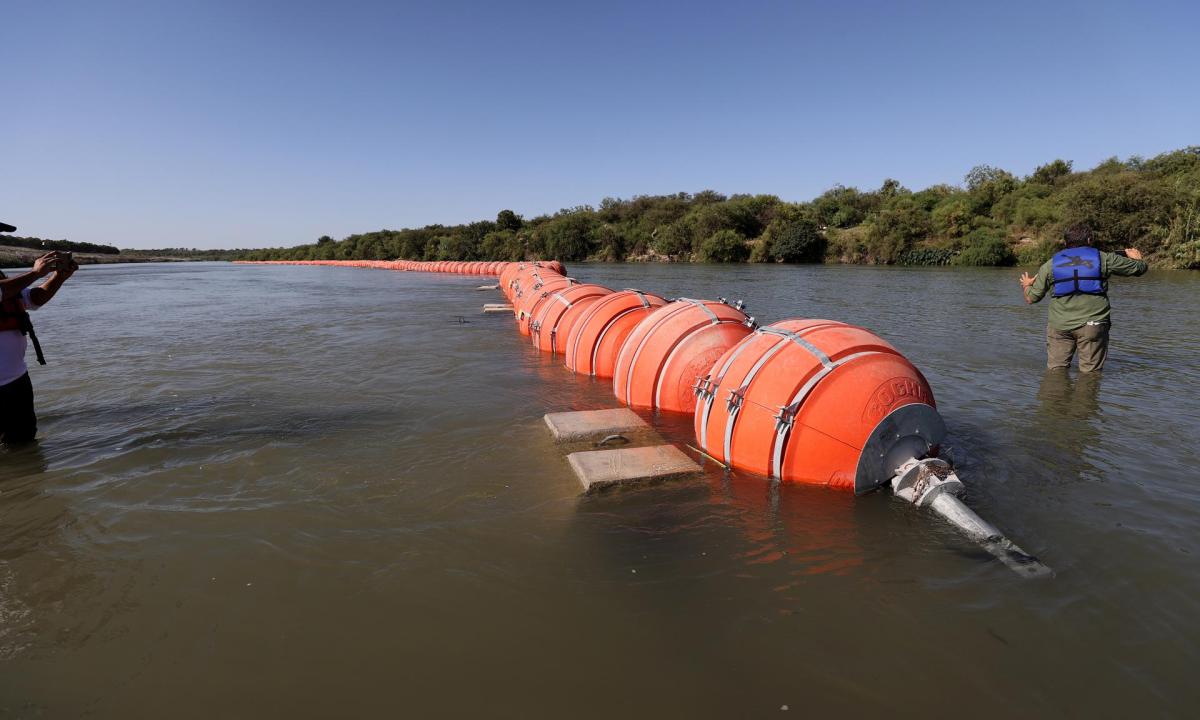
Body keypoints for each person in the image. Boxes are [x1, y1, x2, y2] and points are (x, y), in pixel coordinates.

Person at [1019, 224, 1148, 372]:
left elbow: (1031, 298)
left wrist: (1027, 285)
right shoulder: (1104, 258)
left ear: (1066, 243)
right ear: (1089, 240)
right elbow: (1139, 269)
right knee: (1090, 374)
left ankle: (1054, 394)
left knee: (1056, 371)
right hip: (1092, 324)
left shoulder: (1050, 265)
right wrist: (1138, 259)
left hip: (1060, 326)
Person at [1, 250, 78, 444]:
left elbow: (32, 299)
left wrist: (59, 277)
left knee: (24, 442)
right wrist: (35, 273)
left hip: (16, 380)